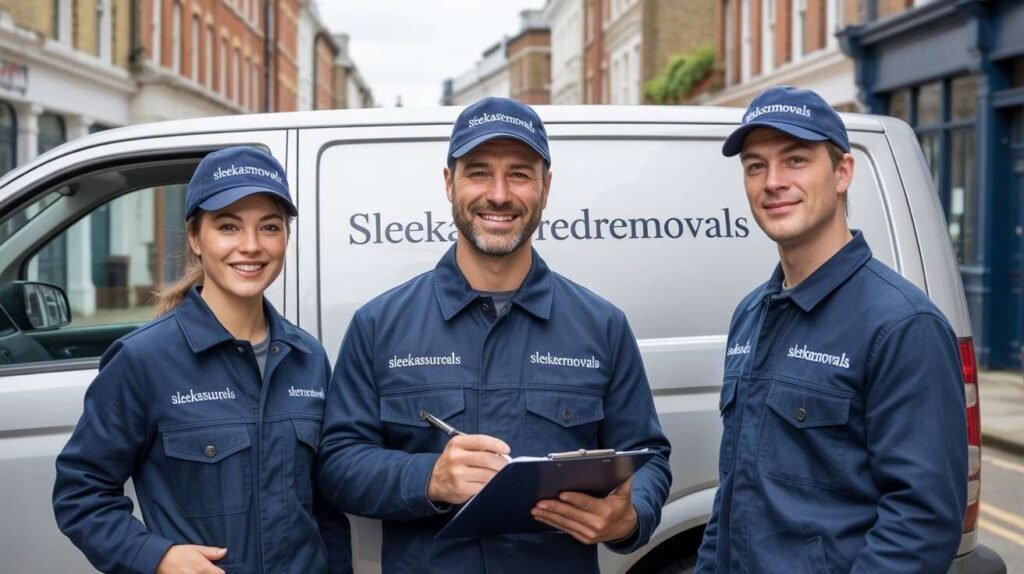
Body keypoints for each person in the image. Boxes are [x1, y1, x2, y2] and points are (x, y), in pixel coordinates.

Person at [317, 97, 672, 573]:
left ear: (546, 187)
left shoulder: (601, 326)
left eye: (519, 174)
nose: (499, 194)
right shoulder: (380, 325)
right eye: (479, 172)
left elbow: (649, 458)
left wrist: (629, 518)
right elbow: (337, 464)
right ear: (450, 183)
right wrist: (429, 477)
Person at [695, 86, 967, 573]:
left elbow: (922, 524)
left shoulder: (903, 325)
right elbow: (733, 494)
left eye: (796, 160)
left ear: (843, 172)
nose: (772, 182)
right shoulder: (751, 314)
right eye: (755, 166)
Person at [53, 147, 351, 574]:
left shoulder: (308, 358)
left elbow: (326, 513)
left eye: (269, 227)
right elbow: (81, 494)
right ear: (195, 237)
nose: (251, 246)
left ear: (285, 237)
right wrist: (156, 557)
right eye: (229, 226)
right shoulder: (143, 360)